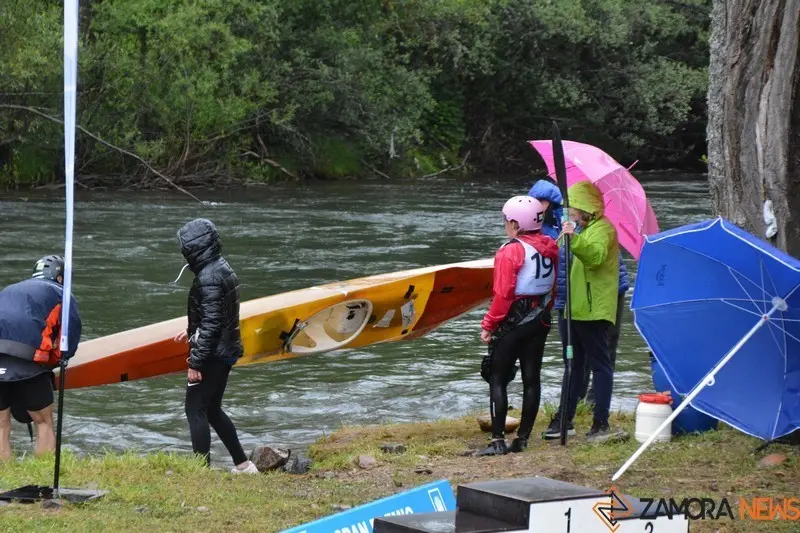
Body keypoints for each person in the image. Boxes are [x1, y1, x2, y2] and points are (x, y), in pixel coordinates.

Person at [173, 218, 258, 474]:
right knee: (211, 409)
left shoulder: (208, 277)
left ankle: (201, 471)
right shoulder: (221, 267)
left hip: (212, 355)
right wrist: (191, 329)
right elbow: (218, 315)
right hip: (225, 351)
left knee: (195, 409)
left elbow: (212, 324)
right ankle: (243, 465)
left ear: (194, 248)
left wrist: (195, 362)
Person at [478, 196, 559, 455]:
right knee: (531, 378)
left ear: (515, 223)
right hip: (540, 318)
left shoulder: (511, 250)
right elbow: (553, 288)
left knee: (497, 377)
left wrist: (489, 325)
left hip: (513, 320)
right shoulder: (551, 245)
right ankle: (522, 438)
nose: (505, 224)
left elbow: (503, 294)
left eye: (506, 220)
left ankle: (497, 441)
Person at [542, 181, 621, 442]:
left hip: (593, 310)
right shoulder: (581, 228)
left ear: (585, 207)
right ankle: (564, 419)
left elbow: (596, 257)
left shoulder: (603, 229)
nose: (568, 211)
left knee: (600, 365)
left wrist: (574, 238)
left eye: (572, 206)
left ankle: (601, 422)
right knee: (572, 365)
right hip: (573, 308)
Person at [0, 255, 82, 460]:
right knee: (43, 422)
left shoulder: (9, 289)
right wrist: (58, 360)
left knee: (1, 424)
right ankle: (43, 471)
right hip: (29, 362)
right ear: (60, 278)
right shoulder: (61, 294)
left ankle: (4, 474)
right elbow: (69, 335)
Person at [579, 253, 629, 405]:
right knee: (581, 347)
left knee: (607, 347)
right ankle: (577, 398)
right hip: (584, 287)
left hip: (612, 287)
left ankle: (595, 401)